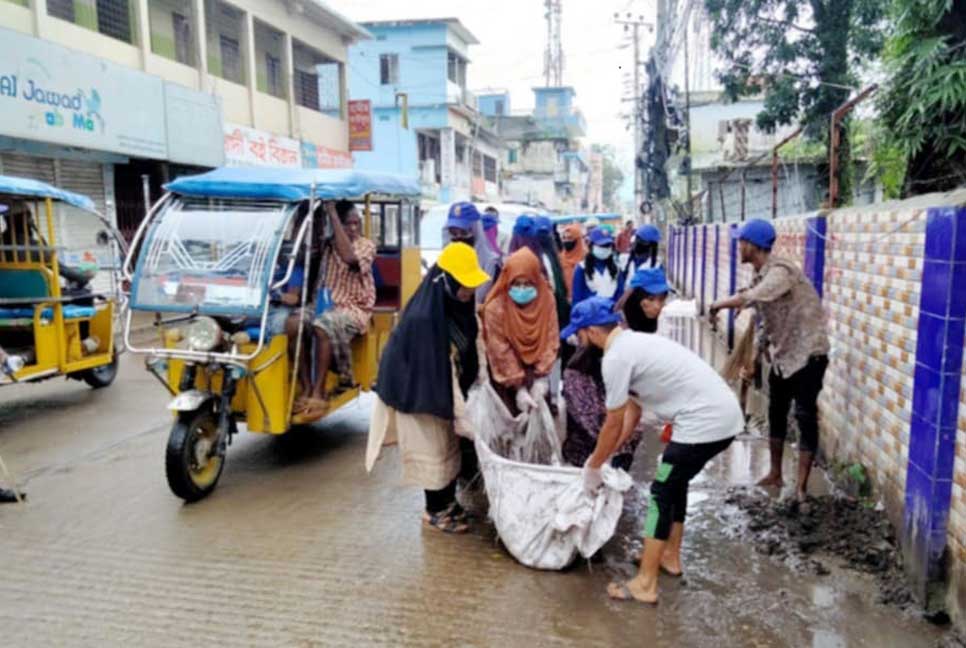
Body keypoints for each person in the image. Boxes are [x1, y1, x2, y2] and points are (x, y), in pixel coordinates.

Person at [566, 296, 742, 606]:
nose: (578, 341)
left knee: (661, 491)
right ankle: (670, 556)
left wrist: (593, 465)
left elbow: (613, 421)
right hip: (720, 417)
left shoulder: (615, 358)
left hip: (704, 423)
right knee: (676, 482)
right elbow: (632, 413)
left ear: (592, 331)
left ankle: (646, 583)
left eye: (579, 334)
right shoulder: (632, 344)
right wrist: (608, 457)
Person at [366, 242, 490, 534]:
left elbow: (475, 345)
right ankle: (435, 511)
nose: (469, 292)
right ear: (446, 281)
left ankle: (448, 504)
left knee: (448, 449)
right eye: (464, 285)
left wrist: (481, 384)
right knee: (432, 451)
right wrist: (463, 417)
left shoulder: (459, 308)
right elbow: (442, 373)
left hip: (445, 393)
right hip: (420, 395)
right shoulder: (425, 321)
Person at [709, 218, 830, 502]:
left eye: (741, 242)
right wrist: (756, 354)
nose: (738, 246)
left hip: (809, 354)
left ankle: (800, 487)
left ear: (752, 245)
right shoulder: (761, 276)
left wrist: (719, 305)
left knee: (804, 416)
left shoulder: (781, 271)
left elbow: (755, 297)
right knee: (776, 412)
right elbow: (764, 316)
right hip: (784, 357)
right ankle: (776, 473)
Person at [295, 200, 376, 421]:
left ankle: (319, 392)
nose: (353, 229)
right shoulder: (327, 245)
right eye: (348, 224)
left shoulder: (365, 245)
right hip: (324, 304)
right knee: (294, 324)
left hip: (354, 308)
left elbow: (350, 259)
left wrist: (332, 213)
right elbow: (303, 256)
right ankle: (306, 387)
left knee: (324, 325)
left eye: (356, 224)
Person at [481, 247, 559, 414]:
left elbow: (551, 338)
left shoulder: (546, 300)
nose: (522, 290)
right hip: (506, 378)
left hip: (538, 374)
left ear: (537, 281)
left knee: (538, 428)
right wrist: (519, 388)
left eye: (528, 284)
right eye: (516, 284)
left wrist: (541, 379)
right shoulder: (495, 308)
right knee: (510, 429)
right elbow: (499, 349)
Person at [442, 202, 500, 302]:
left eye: (464, 232)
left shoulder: (490, 265)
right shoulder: (442, 266)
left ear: (476, 231)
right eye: (453, 233)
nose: (458, 238)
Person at [571, 227, 625, 305]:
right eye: (601, 246)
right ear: (591, 246)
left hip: (612, 314)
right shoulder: (581, 268)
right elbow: (577, 299)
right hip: (590, 314)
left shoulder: (617, 268)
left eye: (607, 246)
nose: (605, 248)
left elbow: (620, 295)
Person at [620, 267, 671, 334]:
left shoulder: (663, 328)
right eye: (650, 299)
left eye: (661, 299)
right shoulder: (617, 331)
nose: (657, 307)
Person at [558, 223, 587, 299]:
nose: (566, 241)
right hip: (565, 300)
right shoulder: (560, 258)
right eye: (564, 238)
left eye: (570, 238)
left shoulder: (587, 257)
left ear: (577, 240)